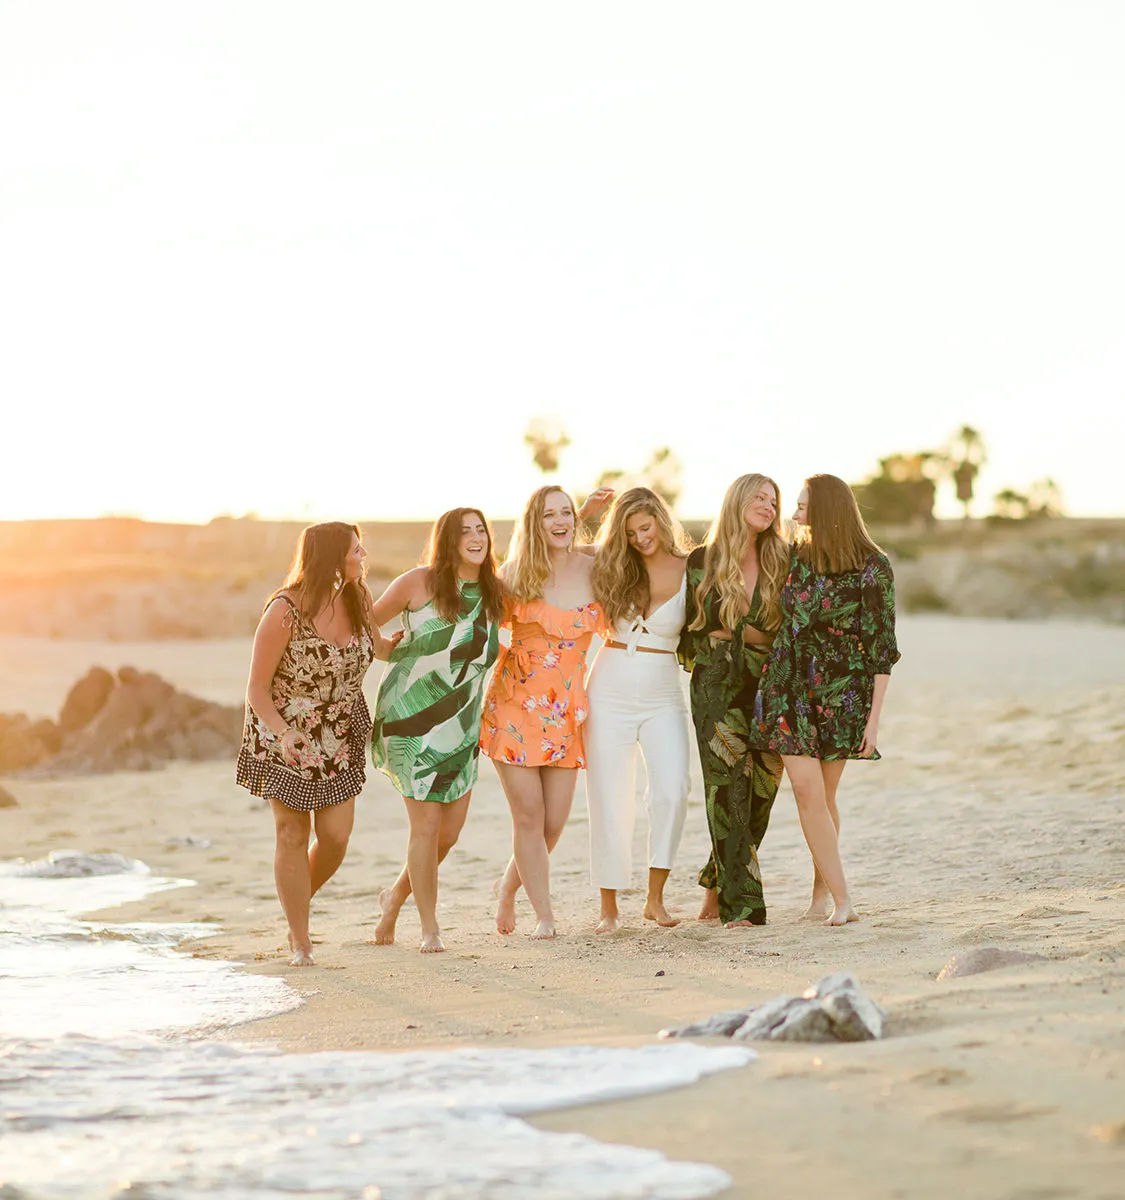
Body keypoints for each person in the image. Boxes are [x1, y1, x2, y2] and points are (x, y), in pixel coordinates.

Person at [237, 522, 399, 966]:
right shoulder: (283, 611)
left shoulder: (359, 597)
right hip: (284, 731)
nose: (362, 555)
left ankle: (295, 906)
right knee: (292, 833)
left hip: (341, 732)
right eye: (355, 549)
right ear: (331, 557)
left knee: (336, 837)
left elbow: (378, 648)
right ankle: (300, 938)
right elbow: (255, 688)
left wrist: (422, 642)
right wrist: (283, 732)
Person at [752, 473, 901, 927]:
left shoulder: (874, 567)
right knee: (805, 790)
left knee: (824, 797)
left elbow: (882, 650)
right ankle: (844, 900)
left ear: (827, 511)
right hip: (787, 686)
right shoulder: (794, 556)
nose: (793, 513)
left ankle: (821, 896)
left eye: (800, 506)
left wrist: (873, 722)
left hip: (842, 694)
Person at [479, 483, 613, 939]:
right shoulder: (512, 575)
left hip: (565, 713)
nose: (559, 521)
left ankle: (507, 886)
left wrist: (592, 515)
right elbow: (470, 630)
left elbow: (628, 547)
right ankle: (545, 915)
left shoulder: (595, 568)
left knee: (553, 824)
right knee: (529, 817)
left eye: (566, 513)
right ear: (533, 523)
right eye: (548, 515)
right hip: (513, 708)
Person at [368, 508, 505, 953]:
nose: (475, 536)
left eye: (480, 529)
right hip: (411, 716)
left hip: (463, 721)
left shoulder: (494, 591)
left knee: (448, 834)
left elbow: (549, 562)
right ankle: (430, 929)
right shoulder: (416, 583)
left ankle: (394, 897)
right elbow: (365, 620)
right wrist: (385, 651)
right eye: (464, 531)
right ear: (447, 540)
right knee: (425, 826)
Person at [678, 474, 788, 927]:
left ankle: (715, 888)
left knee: (761, 789)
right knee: (726, 789)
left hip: (772, 680)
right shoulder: (703, 560)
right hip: (717, 676)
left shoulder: (784, 558)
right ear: (737, 501)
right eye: (759, 497)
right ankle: (743, 907)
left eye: (774, 500)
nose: (768, 505)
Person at [585, 487, 692, 932]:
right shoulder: (611, 564)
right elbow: (551, 551)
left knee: (672, 790)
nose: (639, 539)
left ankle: (655, 898)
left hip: (663, 690)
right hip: (608, 686)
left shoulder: (693, 566)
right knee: (610, 796)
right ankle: (609, 908)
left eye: (645, 528)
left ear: (662, 521)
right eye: (629, 533)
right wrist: (583, 514)